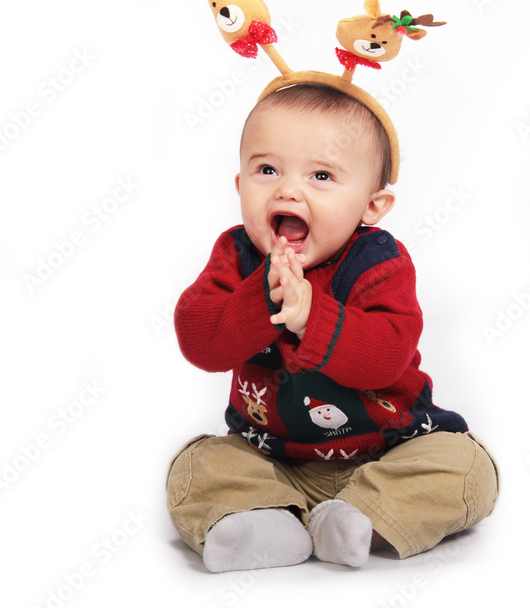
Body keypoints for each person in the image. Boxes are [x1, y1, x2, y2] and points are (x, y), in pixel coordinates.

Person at [166, 83, 499, 573]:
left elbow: (387, 357)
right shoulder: (237, 256)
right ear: (239, 186)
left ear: (372, 206)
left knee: (469, 468)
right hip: (272, 459)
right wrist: (261, 297)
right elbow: (200, 343)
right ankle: (261, 518)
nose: (287, 190)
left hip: (389, 452)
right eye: (267, 170)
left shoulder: (378, 261)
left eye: (321, 175)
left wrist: (311, 317)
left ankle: (358, 517)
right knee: (197, 465)